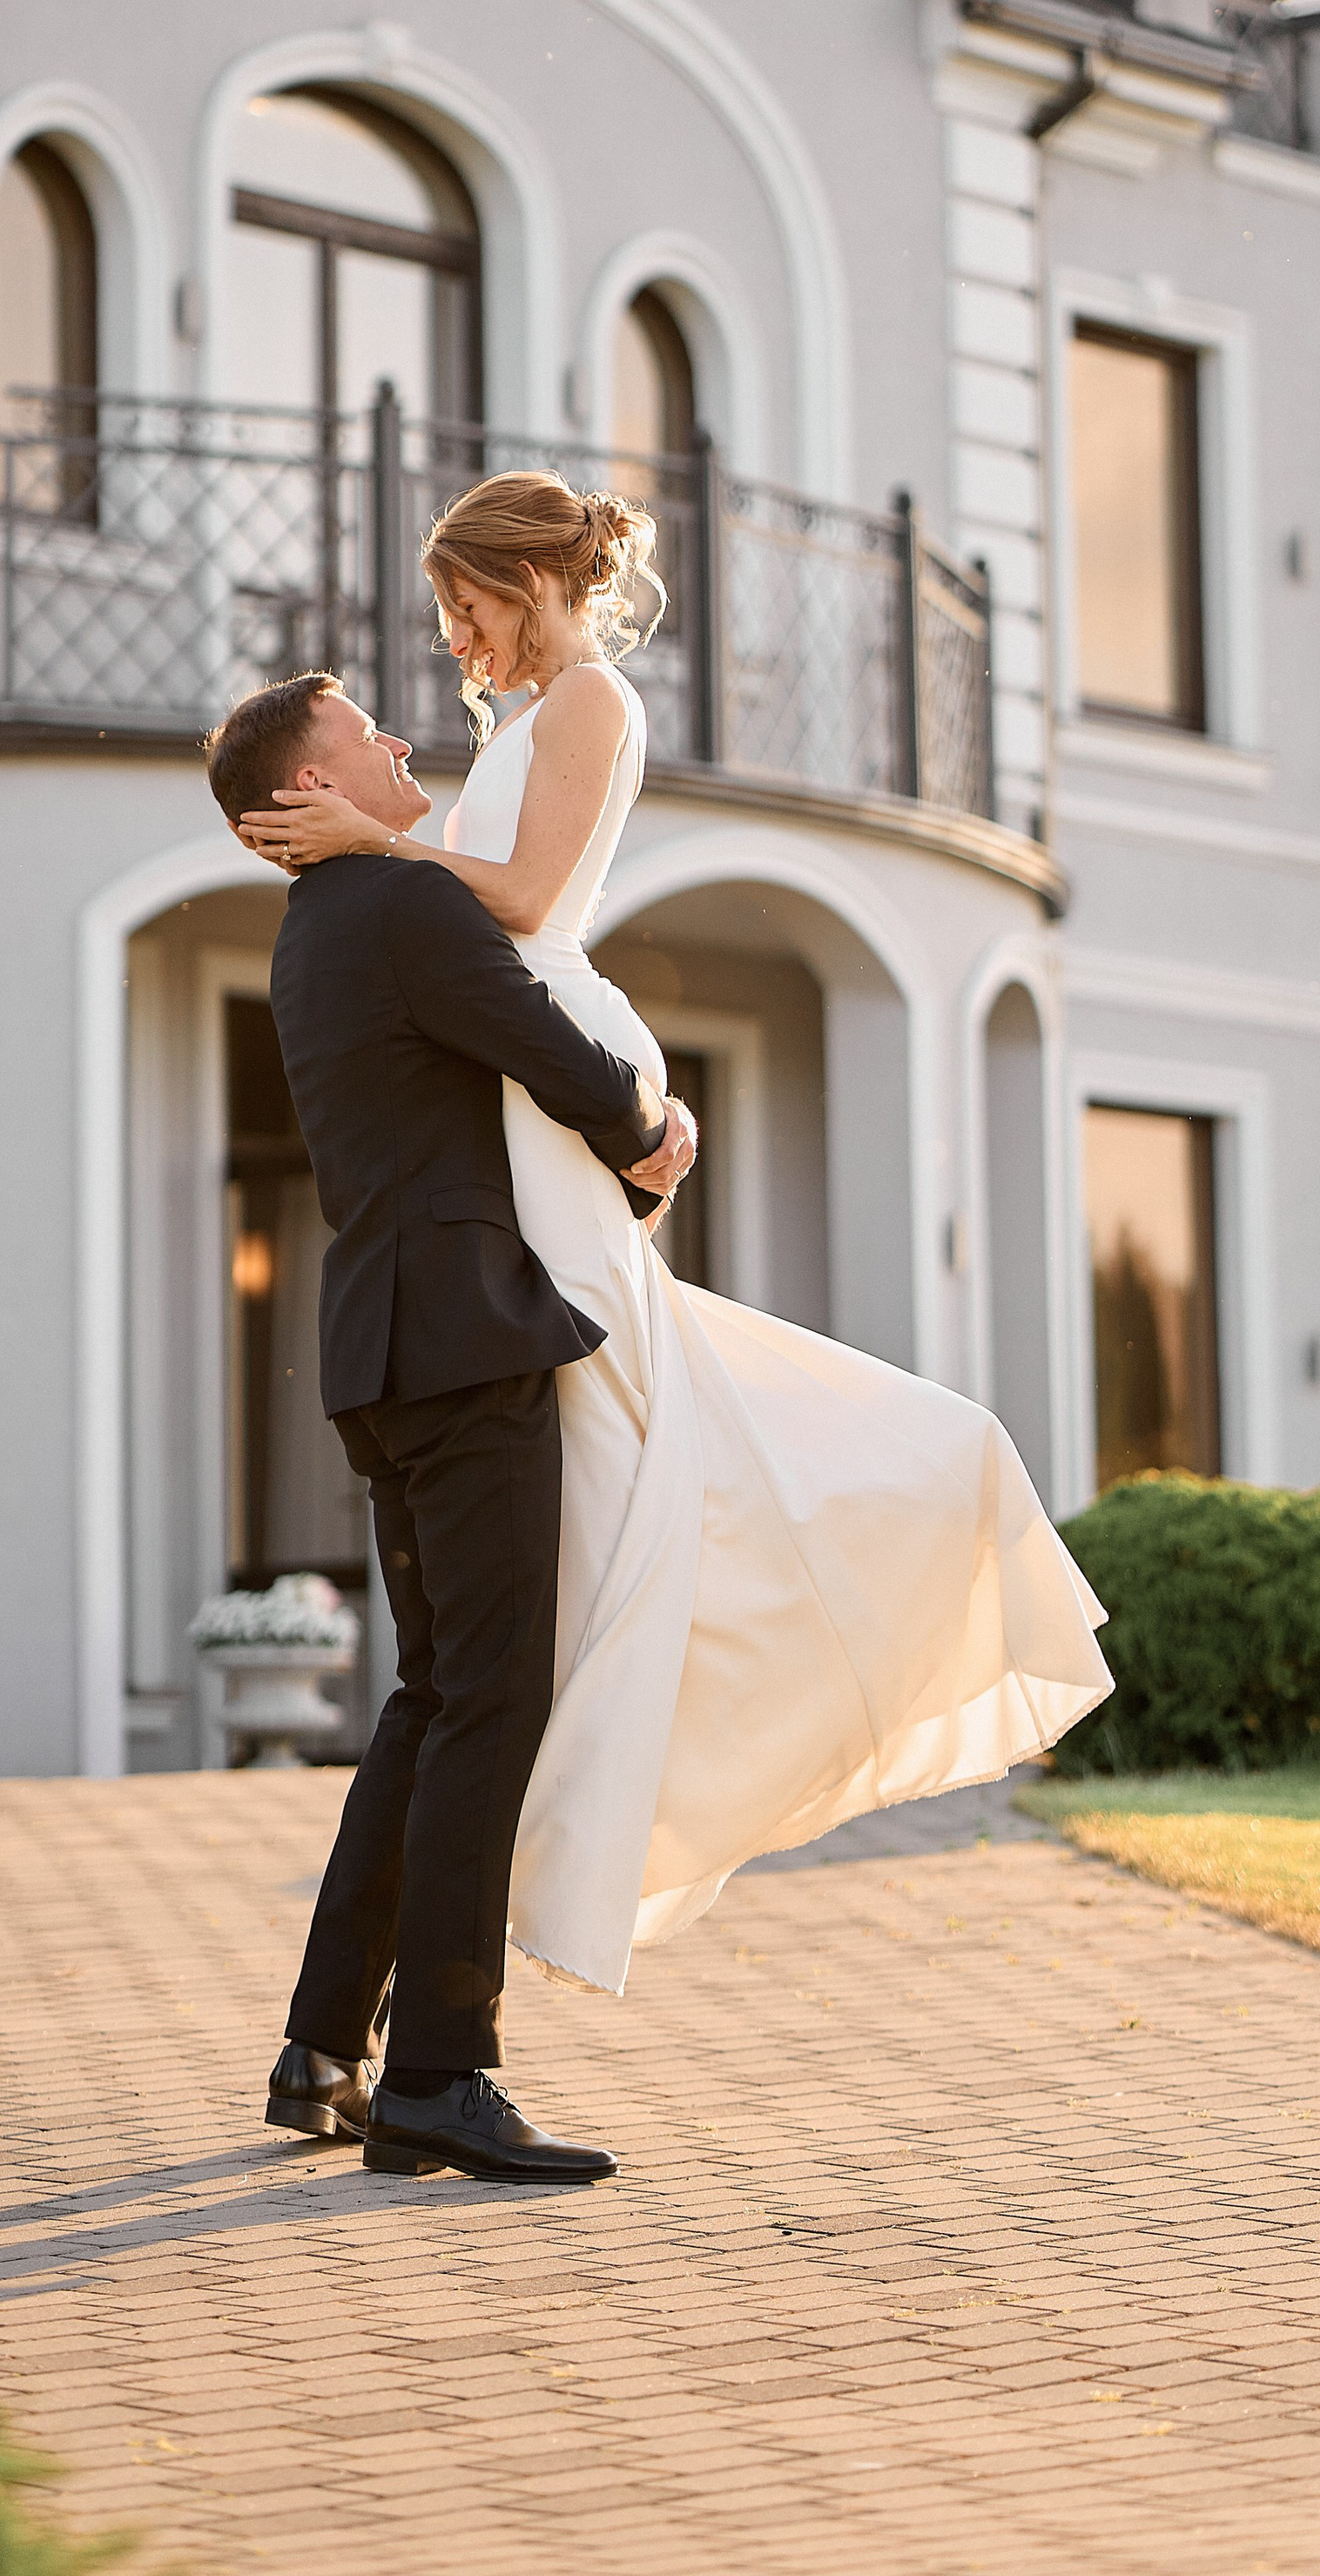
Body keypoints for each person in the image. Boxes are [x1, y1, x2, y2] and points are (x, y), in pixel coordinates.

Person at [239, 471, 1114, 2005]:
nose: (452, 638)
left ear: (530, 579)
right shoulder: (481, 769)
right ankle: (430, 2028)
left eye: (466, 601)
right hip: (504, 1130)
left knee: (563, 1538)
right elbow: (480, 937)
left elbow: (512, 898)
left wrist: (376, 855)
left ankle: (863, 1542)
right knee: (523, 1604)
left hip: (528, 1084)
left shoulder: (582, 705)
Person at [203, 673, 697, 2185]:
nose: (397, 745)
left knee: (432, 1697)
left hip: (382, 1352)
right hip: (466, 1348)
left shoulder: (308, 938)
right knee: (492, 1698)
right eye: (360, 733)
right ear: (303, 789)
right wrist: (648, 1138)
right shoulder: (406, 909)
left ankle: (325, 2046)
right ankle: (441, 2072)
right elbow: (539, 1039)